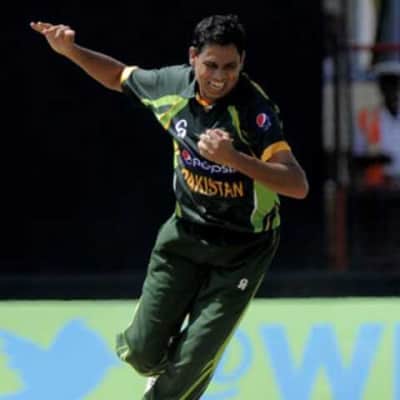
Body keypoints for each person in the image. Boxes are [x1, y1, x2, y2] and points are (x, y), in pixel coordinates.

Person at [30, 14, 309, 399]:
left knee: (187, 369)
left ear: (242, 62)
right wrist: (71, 50)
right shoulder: (171, 86)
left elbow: (297, 185)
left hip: (243, 249)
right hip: (185, 235)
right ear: (193, 57)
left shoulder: (254, 110)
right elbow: (118, 76)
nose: (220, 77)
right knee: (141, 354)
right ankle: (162, 367)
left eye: (230, 67)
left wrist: (234, 158)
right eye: (211, 65)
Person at [353, 60, 400, 188]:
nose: (393, 91)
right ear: (381, 88)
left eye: (396, 85)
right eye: (388, 86)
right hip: (379, 190)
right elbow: (356, 159)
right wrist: (378, 159)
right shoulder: (367, 118)